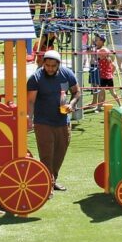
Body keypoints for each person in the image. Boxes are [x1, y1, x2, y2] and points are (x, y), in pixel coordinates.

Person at [27, 50, 79, 192]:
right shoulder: (35, 78)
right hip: (43, 122)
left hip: (62, 121)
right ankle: (46, 186)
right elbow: (30, 101)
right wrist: (29, 119)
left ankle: (52, 179)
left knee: (59, 154)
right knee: (46, 155)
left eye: (53, 66)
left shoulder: (67, 74)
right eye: (47, 65)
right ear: (43, 63)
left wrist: (72, 104)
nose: (50, 68)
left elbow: (76, 91)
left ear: (59, 65)